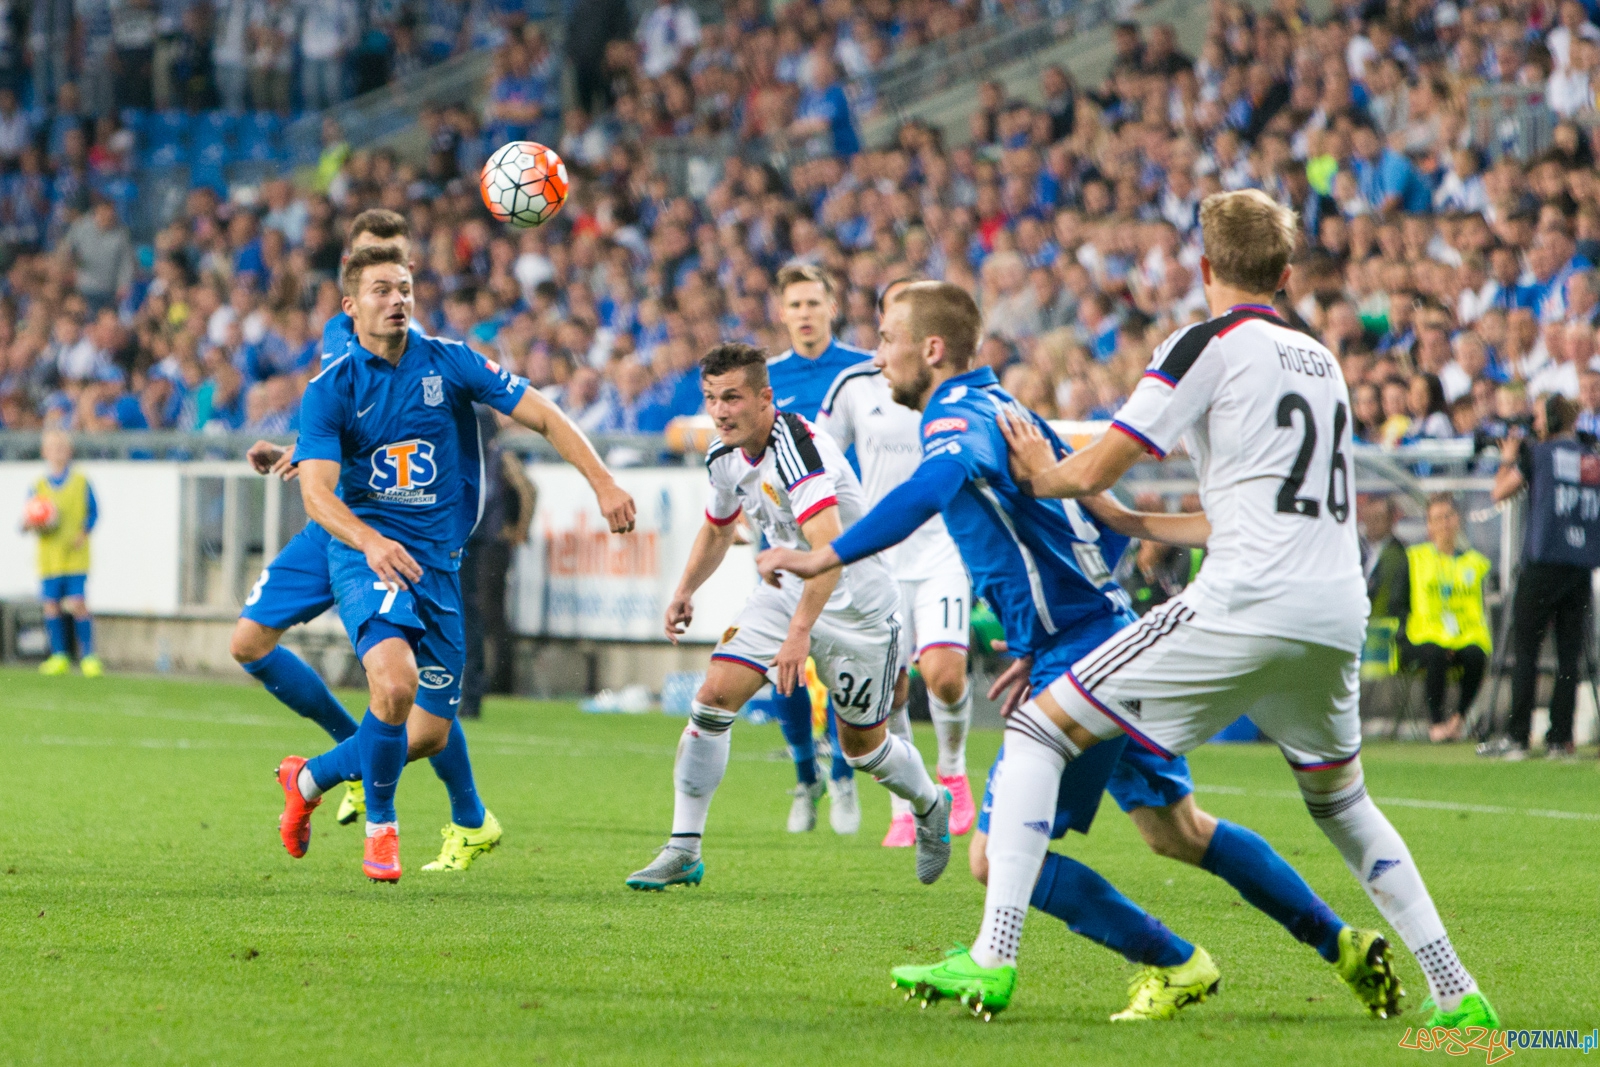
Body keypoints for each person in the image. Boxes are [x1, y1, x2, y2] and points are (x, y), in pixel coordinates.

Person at [757, 281, 1397, 1024]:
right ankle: (1343, 942)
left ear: (931, 349)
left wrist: (824, 553)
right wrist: (1040, 628)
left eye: (888, 336)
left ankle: (1174, 960)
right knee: (1177, 829)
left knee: (994, 858)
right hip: (1104, 632)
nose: (877, 354)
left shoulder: (954, 418)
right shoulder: (1014, 412)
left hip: (1083, 653)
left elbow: (936, 484)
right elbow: (1102, 527)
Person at [967, 190, 1495, 1029]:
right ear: (1285, 276)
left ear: (1204, 268)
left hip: (1245, 599)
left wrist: (1042, 470)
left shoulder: (1204, 342)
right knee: (1344, 805)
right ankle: (1458, 990)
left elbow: (1101, 461)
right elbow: (1261, 508)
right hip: (1332, 608)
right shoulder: (1321, 360)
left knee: (1040, 727)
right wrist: (1142, 526)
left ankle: (991, 959)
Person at [274, 244, 636, 883]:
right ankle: (383, 830)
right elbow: (316, 493)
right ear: (351, 307)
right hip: (371, 558)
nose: (399, 300)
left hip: (440, 566)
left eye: (406, 288)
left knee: (429, 735)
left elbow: (545, 415)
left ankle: (307, 777)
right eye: (383, 290)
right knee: (392, 684)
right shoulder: (330, 389)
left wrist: (602, 482)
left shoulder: (452, 362)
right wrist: (368, 542)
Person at [624, 342, 951, 892]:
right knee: (713, 695)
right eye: (711, 398)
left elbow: (829, 549)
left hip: (857, 606)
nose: (720, 410)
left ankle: (929, 802)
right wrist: (685, 590)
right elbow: (719, 527)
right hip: (785, 592)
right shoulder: (723, 453)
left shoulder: (798, 446)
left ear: (764, 398)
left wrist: (800, 635)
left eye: (732, 397)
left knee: (861, 747)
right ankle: (683, 847)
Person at [816, 278, 977, 849]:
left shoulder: (952, 392)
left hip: (943, 549)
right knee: (892, 688)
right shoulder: (856, 385)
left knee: (945, 674)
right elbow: (821, 454)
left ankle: (953, 770)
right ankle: (905, 802)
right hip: (878, 556)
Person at [763, 264, 877, 834]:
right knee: (781, 664)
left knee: (840, 665)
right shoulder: (767, 380)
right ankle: (806, 777)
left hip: (842, 539)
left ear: (833, 307)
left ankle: (843, 778)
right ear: (781, 313)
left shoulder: (863, 372)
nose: (805, 313)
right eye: (795, 304)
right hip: (782, 540)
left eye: (814, 302)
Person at [1482, 395, 1600, 760]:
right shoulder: (1591, 458)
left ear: (1550, 418)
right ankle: (1559, 739)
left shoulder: (1538, 455)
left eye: (1536, 417)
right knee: (1568, 657)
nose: (1533, 424)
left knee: (1527, 652)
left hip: (1542, 564)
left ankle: (1518, 737)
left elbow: (1499, 492)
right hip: (1580, 566)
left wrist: (1508, 456)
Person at [1403, 495, 1491, 742]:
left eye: (1448, 517)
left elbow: (1478, 607)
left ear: (1458, 520)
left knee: (1476, 655)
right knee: (1436, 655)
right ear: (1428, 526)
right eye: (1437, 519)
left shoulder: (1474, 563)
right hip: (1424, 636)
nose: (1444, 524)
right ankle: (1436, 723)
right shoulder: (1415, 559)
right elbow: (1400, 605)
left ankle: (1458, 719)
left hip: (1464, 635)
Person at [26, 429, 102, 678]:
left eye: (62, 447)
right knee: (51, 606)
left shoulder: (81, 482)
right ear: (44, 452)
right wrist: (34, 523)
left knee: (78, 603)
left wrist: (84, 532)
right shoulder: (38, 486)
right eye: (53, 448)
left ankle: (88, 656)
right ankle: (59, 655)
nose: (58, 452)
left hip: (75, 555)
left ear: (69, 451)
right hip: (50, 557)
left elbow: (94, 512)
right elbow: (26, 520)